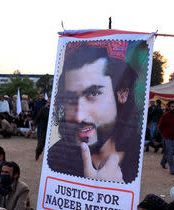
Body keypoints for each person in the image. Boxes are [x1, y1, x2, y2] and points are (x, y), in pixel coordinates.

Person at [47, 41, 142, 183]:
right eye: (70, 98)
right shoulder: (56, 157)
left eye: (92, 93)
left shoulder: (137, 155)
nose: (79, 117)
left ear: (122, 94)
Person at [159, 100, 174, 175]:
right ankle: (172, 169)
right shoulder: (165, 115)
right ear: (168, 107)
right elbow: (160, 126)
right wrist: (164, 135)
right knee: (170, 153)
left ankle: (162, 162)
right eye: (172, 106)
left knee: (168, 152)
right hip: (167, 137)